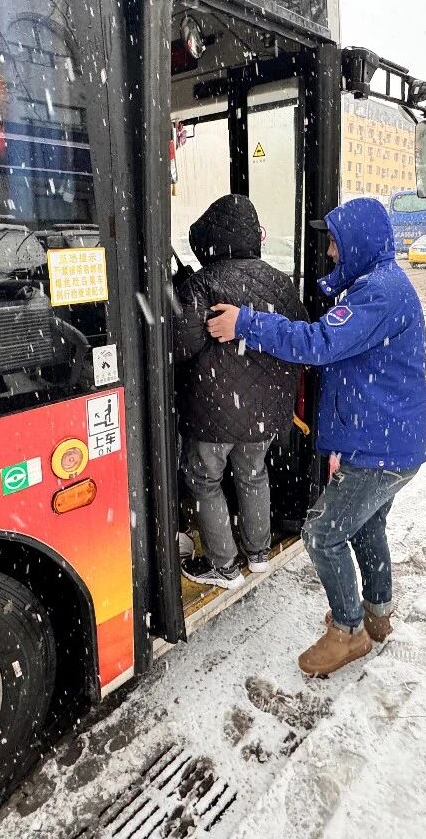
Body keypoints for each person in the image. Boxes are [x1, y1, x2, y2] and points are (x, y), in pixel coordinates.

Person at [206, 196, 426, 677]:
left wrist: (245, 322)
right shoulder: (381, 285)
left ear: (358, 242)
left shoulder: (377, 293)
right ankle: (377, 614)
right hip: (390, 440)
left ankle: (348, 632)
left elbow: (319, 343)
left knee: (322, 534)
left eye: (334, 243)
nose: (328, 252)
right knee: (366, 526)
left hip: (378, 449)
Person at [172, 194, 307, 589]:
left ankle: (224, 565)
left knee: (203, 480)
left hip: (214, 411)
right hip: (266, 411)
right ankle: (259, 553)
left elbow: (180, 345)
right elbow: (298, 334)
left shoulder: (203, 283)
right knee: (253, 473)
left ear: (210, 238)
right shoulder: (279, 281)